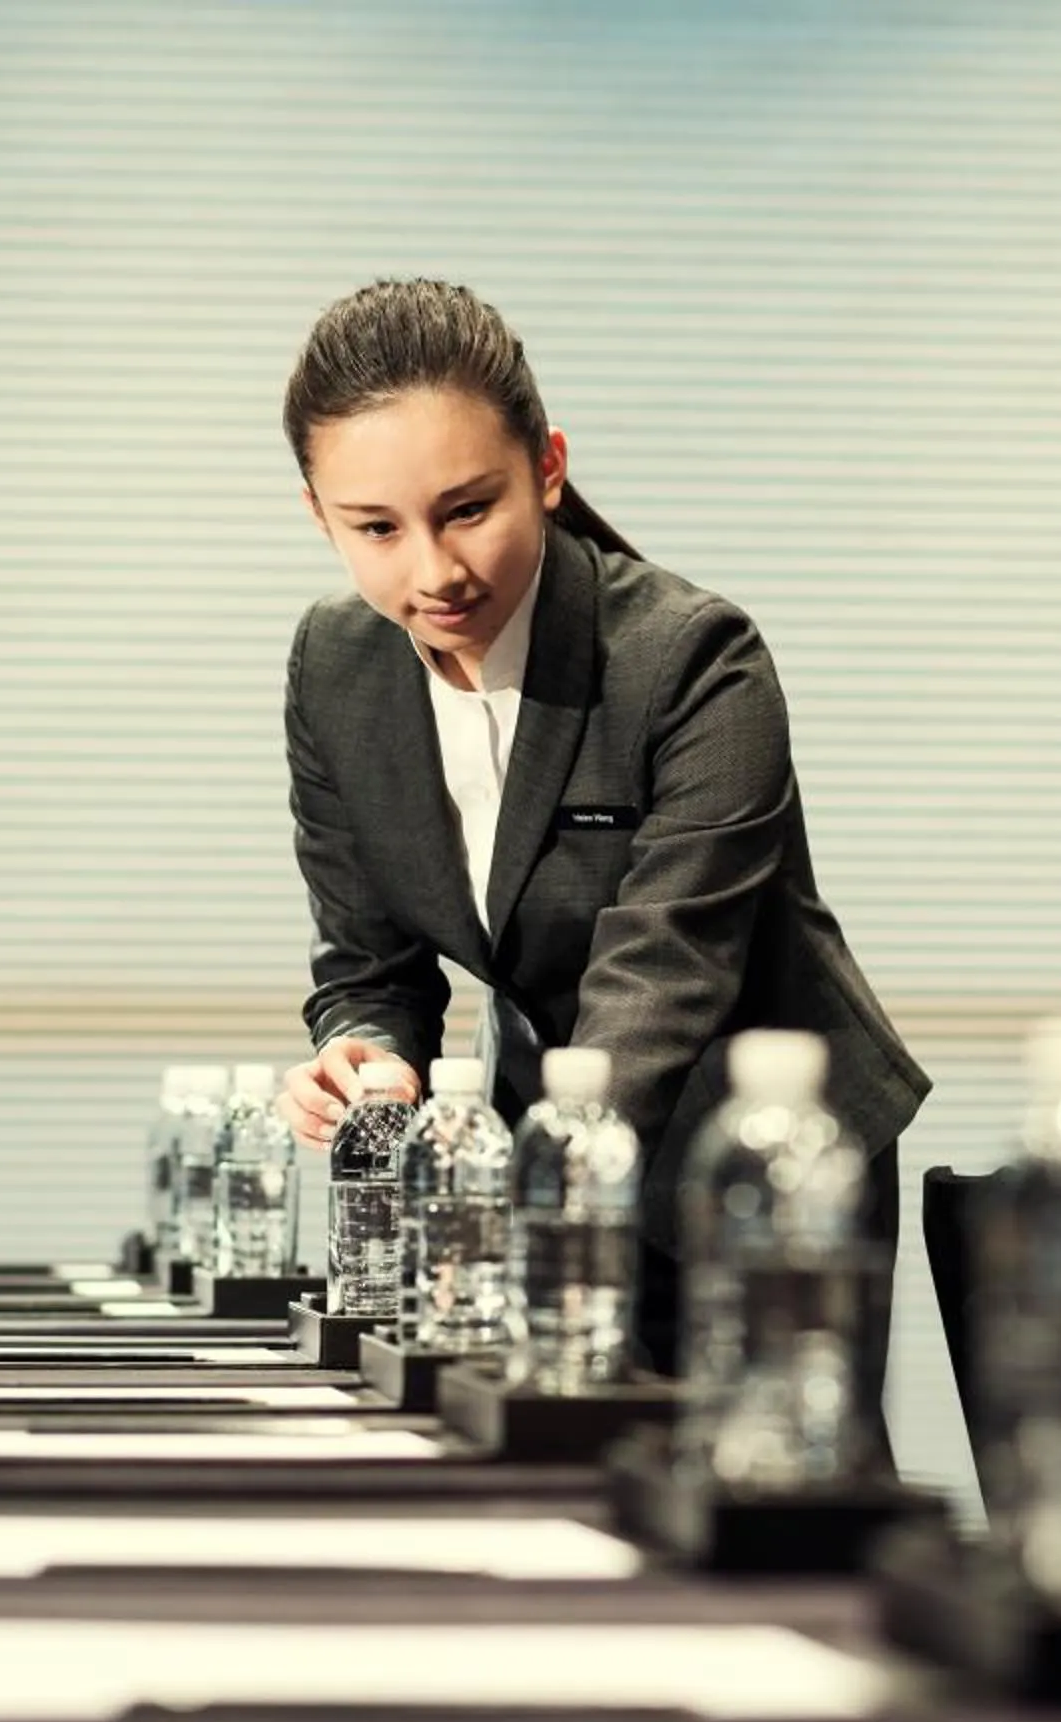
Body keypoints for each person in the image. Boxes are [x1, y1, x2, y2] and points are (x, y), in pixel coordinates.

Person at [271, 277, 928, 1378]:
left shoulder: (691, 659)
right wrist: (367, 1061)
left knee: (760, 1475)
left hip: (760, 1170)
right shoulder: (335, 669)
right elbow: (368, 964)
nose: (434, 570)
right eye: (376, 527)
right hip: (543, 1157)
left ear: (547, 467)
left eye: (468, 509)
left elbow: (663, 971)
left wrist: (534, 1190)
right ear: (320, 516)